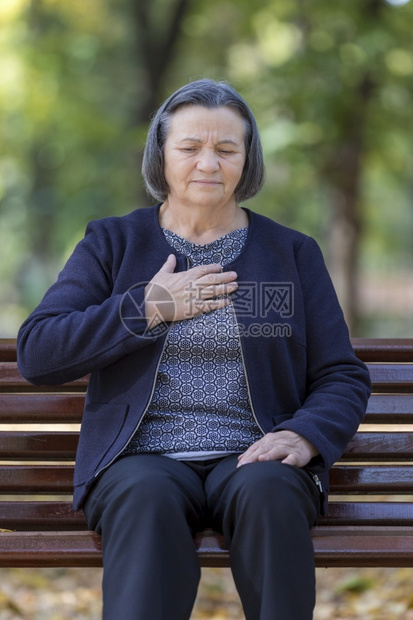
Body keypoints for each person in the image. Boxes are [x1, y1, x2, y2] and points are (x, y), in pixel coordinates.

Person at [17, 78, 371, 620]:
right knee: (145, 497)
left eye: (226, 149)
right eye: (189, 147)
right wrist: (148, 307)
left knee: (273, 492)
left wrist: (306, 434)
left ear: (246, 162)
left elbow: (340, 375)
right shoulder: (114, 243)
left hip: (252, 455)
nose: (208, 162)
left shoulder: (287, 253)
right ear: (161, 156)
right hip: (141, 459)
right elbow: (39, 352)